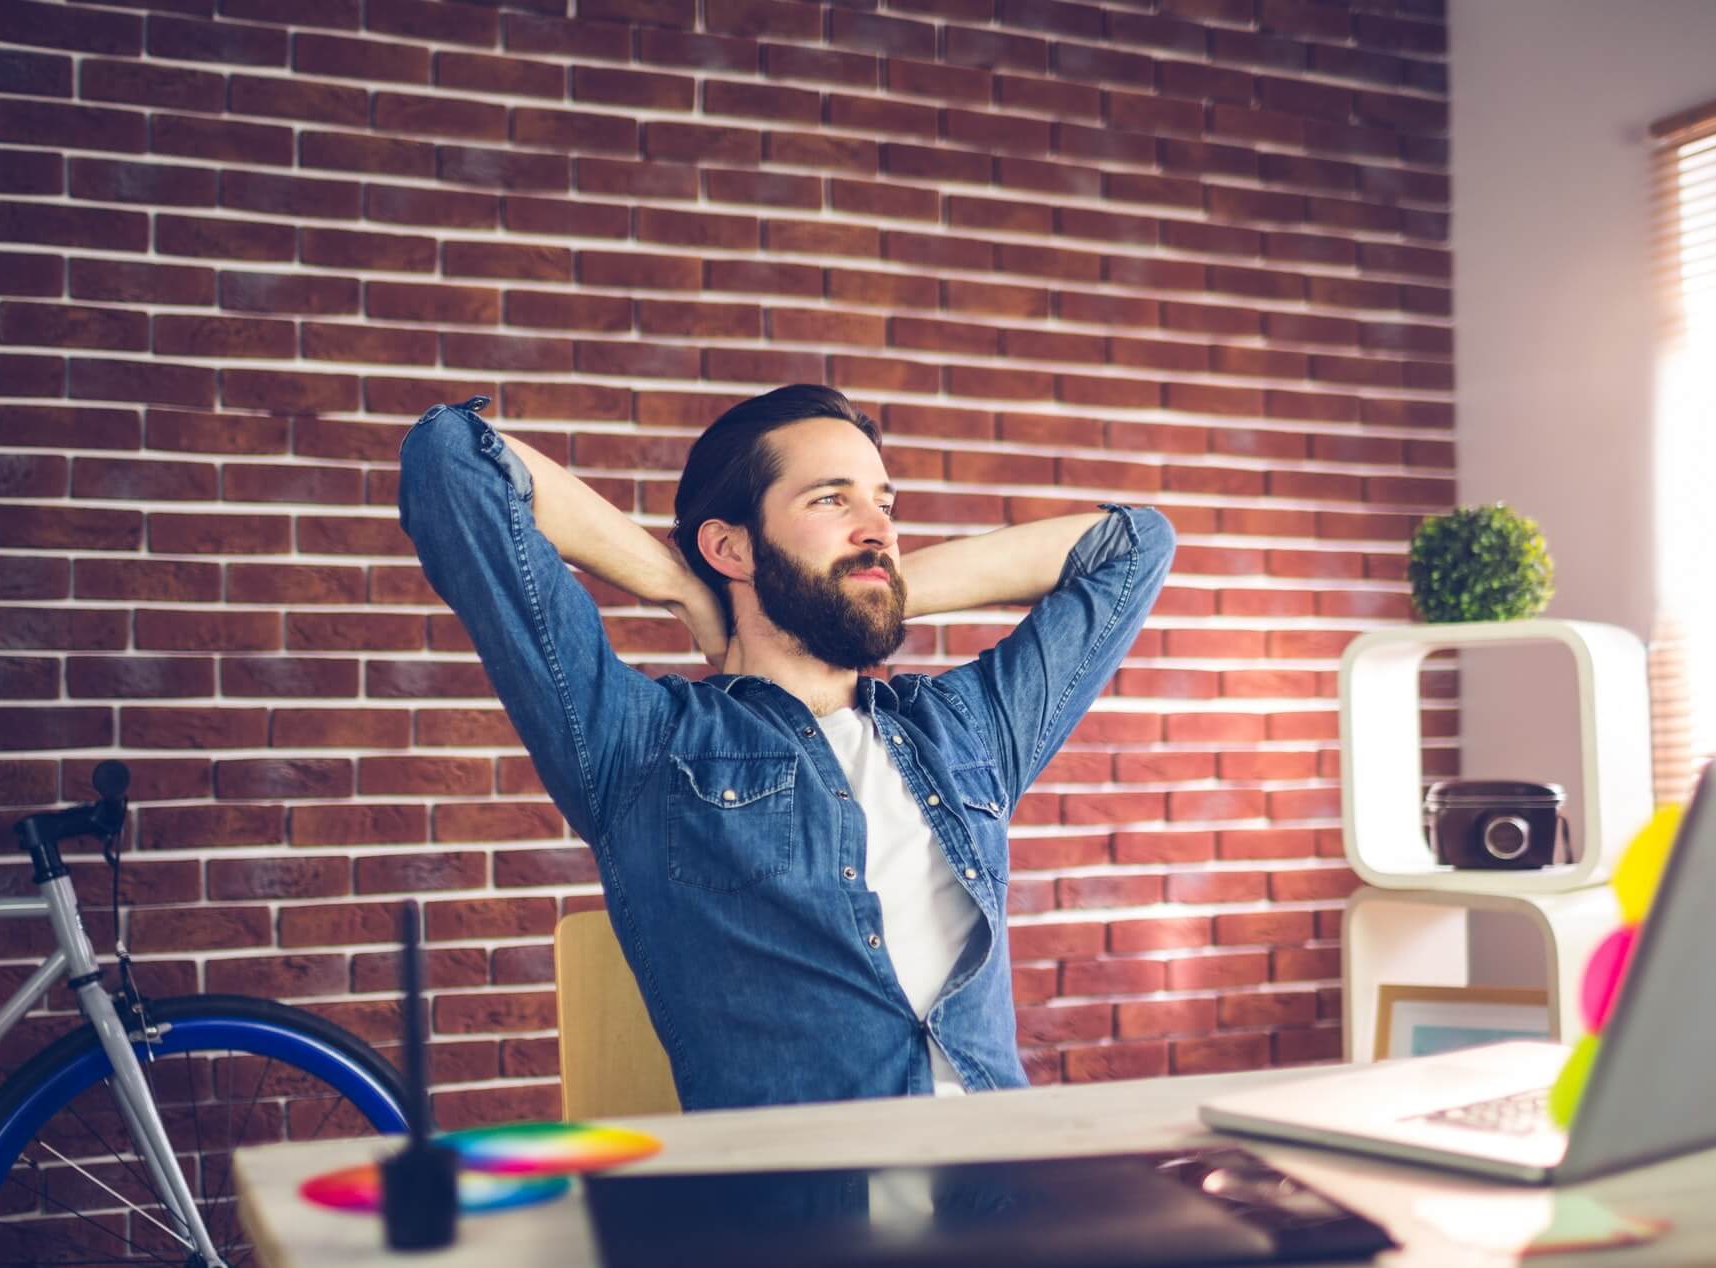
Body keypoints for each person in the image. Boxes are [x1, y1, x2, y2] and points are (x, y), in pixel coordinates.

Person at [398, 386, 1173, 1111]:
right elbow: (453, 458)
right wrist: (685, 588)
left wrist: (876, 582)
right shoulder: (640, 744)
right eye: (831, 499)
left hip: (1009, 1204)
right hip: (805, 1223)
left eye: (884, 505)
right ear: (731, 547)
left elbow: (1135, 545)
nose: (879, 528)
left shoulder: (964, 728)